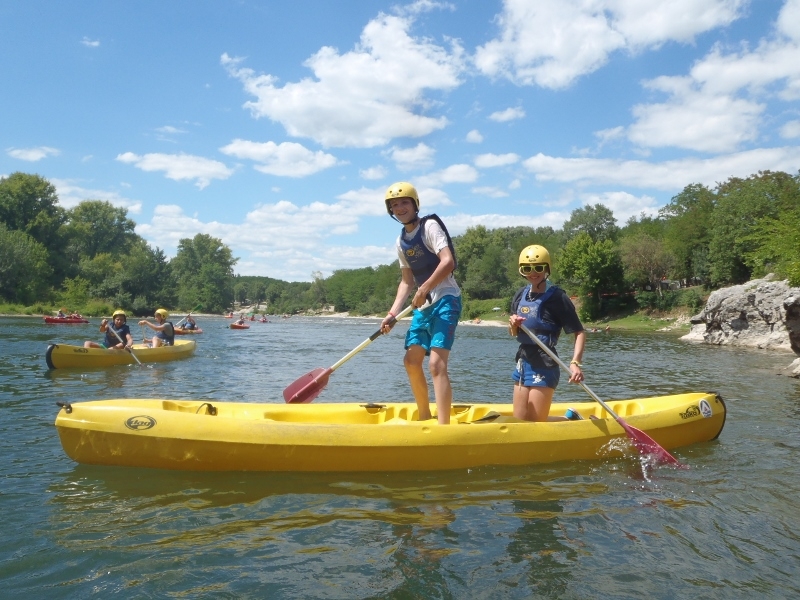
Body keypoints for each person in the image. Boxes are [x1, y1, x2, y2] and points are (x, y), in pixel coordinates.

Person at [379, 182, 462, 425]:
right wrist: (393, 313)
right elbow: (406, 282)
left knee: (436, 364)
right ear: (391, 212)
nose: (400, 207)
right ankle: (424, 417)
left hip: (446, 298)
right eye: (395, 205)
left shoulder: (430, 226)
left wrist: (424, 288)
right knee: (411, 361)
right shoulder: (400, 242)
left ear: (415, 204)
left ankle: (443, 427)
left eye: (404, 202)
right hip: (423, 305)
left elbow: (447, 261)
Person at [508, 245, 586, 422]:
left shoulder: (558, 298)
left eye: (538, 268)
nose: (533, 273)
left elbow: (579, 333)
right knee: (520, 422)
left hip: (545, 361)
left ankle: (571, 421)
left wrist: (575, 363)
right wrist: (513, 324)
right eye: (527, 269)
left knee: (536, 423)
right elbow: (513, 333)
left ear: (547, 268)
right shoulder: (520, 295)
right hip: (523, 360)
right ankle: (570, 418)